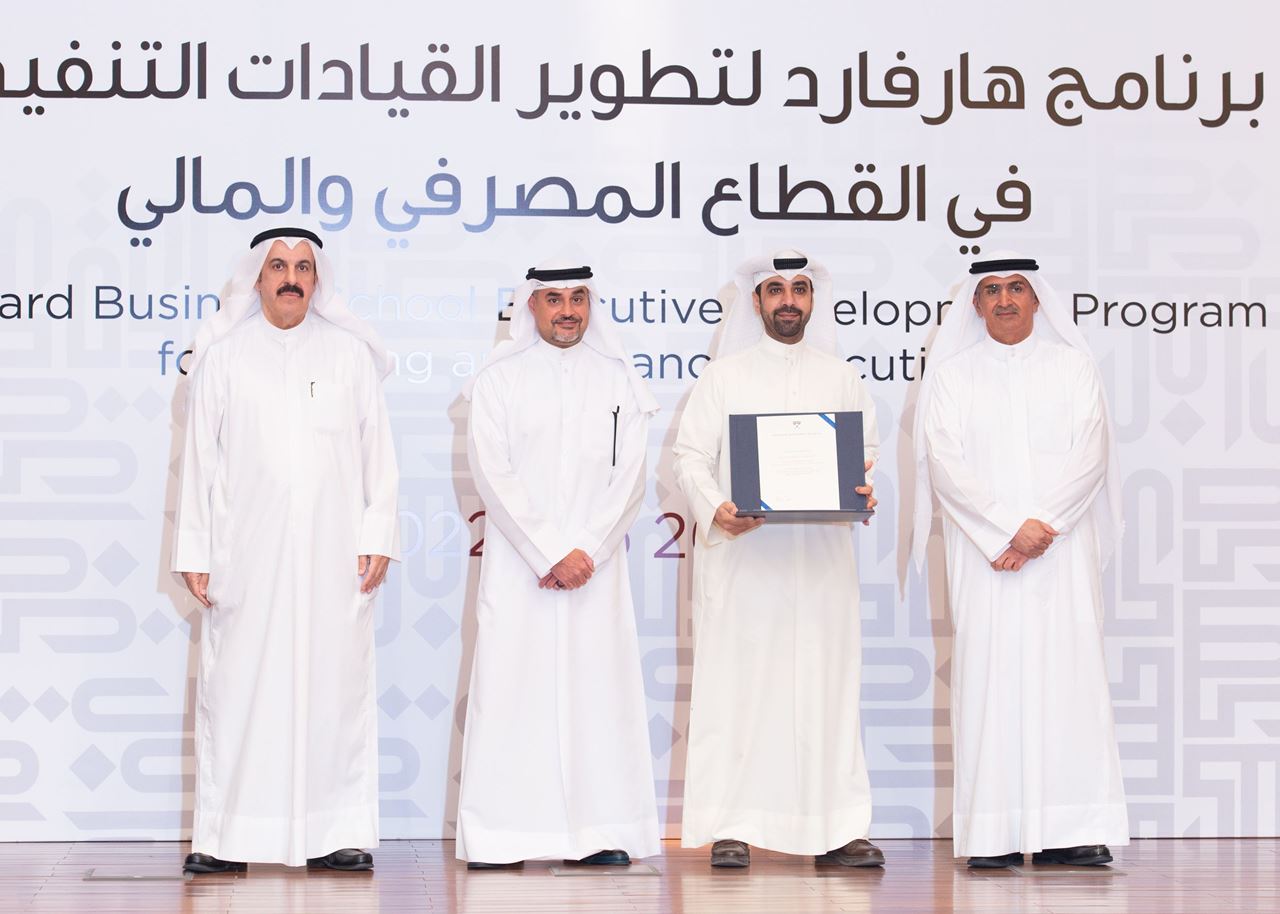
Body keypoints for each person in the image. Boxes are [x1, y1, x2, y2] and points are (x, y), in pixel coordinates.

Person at [172, 228, 399, 874]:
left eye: (303, 267)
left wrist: (379, 533)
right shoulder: (224, 357)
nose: (291, 277)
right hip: (245, 556)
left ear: (318, 281)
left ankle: (335, 835)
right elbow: (198, 462)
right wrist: (195, 546)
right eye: (278, 266)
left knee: (334, 694)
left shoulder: (350, 358)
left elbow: (378, 458)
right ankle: (224, 837)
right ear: (258, 278)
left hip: (335, 561)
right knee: (239, 689)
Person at [912, 252, 1129, 868]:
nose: (1004, 299)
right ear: (975, 306)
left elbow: (1092, 452)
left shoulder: (1074, 366)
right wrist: (1008, 529)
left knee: (1069, 679)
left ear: (1037, 299)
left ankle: (1072, 829)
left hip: (1060, 550)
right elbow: (946, 464)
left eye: (1016, 288)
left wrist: (1042, 527)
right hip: (989, 556)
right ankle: (993, 833)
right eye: (991, 291)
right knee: (990, 678)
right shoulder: (951, 376)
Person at [673, 250, 883, 869]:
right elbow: (689, 456)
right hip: (745, 558)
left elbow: (863, 459)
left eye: (799, 289)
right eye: (774, 290)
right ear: (756, 301)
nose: (788, 300)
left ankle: (838, 829)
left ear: (813, 300)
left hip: (819, 562)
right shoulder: (724, 376)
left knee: (828, 689)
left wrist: (863, 492)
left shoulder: (841, 377)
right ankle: (731, 825)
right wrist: (717, 509)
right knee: (740, 687)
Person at [456, 261, 661, 869]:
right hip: (523, 567)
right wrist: (550, 552)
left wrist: (587, 551)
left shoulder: (619, 378)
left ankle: (599, 832)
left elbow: (632, 477)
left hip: (595, 569)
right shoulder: (498, 379)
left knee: (599, 692)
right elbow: (492, 473)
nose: (568, 310)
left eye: (578, 298)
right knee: (511, 689)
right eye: (553, 299)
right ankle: (502, 837)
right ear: (531, 306)